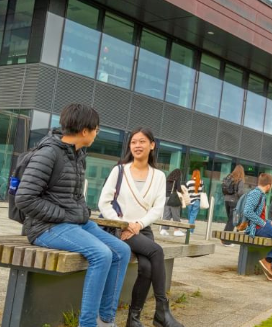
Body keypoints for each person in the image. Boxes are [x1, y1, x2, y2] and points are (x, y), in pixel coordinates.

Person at [15, 104, 131, 327]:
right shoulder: (49, 153)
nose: (97, 133)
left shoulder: (77, 154)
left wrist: (81, 213)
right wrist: (63, 215)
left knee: (121, 251)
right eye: (96, 129)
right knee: (102, 254)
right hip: (45, 227)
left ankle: (105, 320)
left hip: (74, 223)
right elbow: (25, 198)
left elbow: (74, 195)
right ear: (85, 131)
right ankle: (87, 324)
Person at [97, 127, 182, 327]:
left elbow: (158, 208)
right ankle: (162, 310)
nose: (137, 145)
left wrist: (138, 225)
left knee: (146, 267)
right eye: (134, 141)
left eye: (142, 141)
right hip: (118, 228)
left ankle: (133, 319)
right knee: (157, 251)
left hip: (142, 229)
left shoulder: (159, 176)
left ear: (152, 145)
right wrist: (124, 224)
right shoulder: (119, 171)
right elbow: (104, 203)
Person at [221, 165, 248, 246]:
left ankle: (224, 238)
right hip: (234, 201)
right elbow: (240, 192)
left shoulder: (228, 178)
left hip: (226, 200)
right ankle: (226, 241)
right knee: (232, 221)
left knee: (230, 220)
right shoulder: (240, 180)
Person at [160, 169, 183, 236]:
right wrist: (182, 191)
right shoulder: (177, 178)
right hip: (173, 198)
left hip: (166, 197)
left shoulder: (168, 179)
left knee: (166, 214)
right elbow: (178, 188)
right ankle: (176, 230)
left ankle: (163, 230)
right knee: (176, 214)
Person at [184, 170, 204, 234]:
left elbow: (186, 191)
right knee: (193, 216)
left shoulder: (189, 182)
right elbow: (202, 191)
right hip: (197, 201)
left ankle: (189, 230)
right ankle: (190, 230)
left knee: (190, 216)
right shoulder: (201, 182)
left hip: (190, 201)